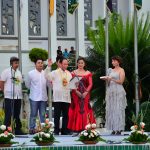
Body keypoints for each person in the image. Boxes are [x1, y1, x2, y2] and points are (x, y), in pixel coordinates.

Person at [67, 57, 96, 134]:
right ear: (77, 63)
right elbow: (71, 84)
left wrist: (86, 92)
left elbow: (90, 84)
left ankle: (86, 127)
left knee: (85, 109)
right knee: (77, 108)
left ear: (84, 64)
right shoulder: (73, 73)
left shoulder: (88, 73)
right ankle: (76, 129)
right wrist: (76, 92)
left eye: (82, 63)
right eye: (79, 63)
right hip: (75, 94)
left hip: (85, 94)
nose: (80, 64)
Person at [45, 57, 72, 135]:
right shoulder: (55, 72)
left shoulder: (69, 74)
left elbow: (70, 84)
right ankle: (56, 130)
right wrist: (49, 66)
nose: (66, 65)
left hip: (66, 97)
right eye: (64, 64)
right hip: (58, 97)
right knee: (56, 115)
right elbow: (46, 76)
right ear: (60, 64)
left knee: (66, 115)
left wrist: (74, 85)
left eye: (67, 64)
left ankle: (65, 130)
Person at [101, 56, 127, 135]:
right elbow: (108, 83)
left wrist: (111, 79)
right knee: (111, 109)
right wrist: (107, 80)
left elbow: (121, 81)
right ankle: (113, 128)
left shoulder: (121, 70)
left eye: (114, 61)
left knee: (118, 109)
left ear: (118, 62)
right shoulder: (110, 70)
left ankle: (119, 128)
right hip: (111, 91)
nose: (113, 62)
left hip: (118, 91)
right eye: (112, 61)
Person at [0, 57, 24, 135]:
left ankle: (17, 130)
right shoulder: (6, 72)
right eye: (15, 63)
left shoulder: (19, 72)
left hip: (18, 96)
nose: (17, 64)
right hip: (9, 97)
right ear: (11, 63)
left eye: (18, 63)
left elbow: (19, 82)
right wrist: (4, 91)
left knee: (17, 114)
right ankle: (6, 130)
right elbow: (1, 82)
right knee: (8, 113)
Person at [25, 58, 48, 134]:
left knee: (42, 115)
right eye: (38, 63)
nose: (40, 64)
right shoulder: (30, 73)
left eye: (41, 63)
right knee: (33, 114)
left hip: (43, 97)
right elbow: (27, 85)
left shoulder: (45, 73)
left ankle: (43, 130)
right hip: (34, 97)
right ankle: (32, 129)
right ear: (35, 64)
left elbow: (48, 84)